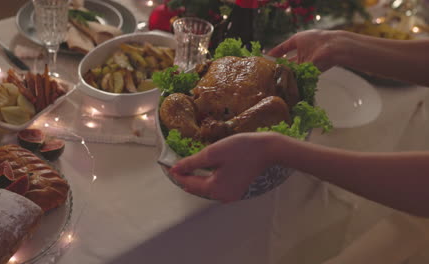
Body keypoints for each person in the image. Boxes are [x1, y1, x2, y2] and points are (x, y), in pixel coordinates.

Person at [169, 29, 429, 218]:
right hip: (211, 94)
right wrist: (338, 43)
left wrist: (281, 151)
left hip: (253, 107)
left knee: (276, 107)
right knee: (174, 100)